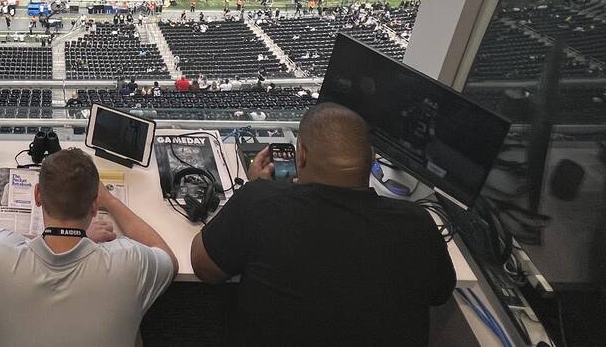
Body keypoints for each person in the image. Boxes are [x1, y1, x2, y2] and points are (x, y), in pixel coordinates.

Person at [189, 103, 455, 346]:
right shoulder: (418, 224)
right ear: (371, 160)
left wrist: (254, 190)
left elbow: (205, 268)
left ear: (300, 156)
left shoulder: (261, 201)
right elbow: (440, 294)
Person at [0, 149, 175, 347]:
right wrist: (111, 201)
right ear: (94, 206)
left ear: (38, 195)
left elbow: (32, 248)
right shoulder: (132, 262)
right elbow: (168, 258)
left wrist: (72, 238)